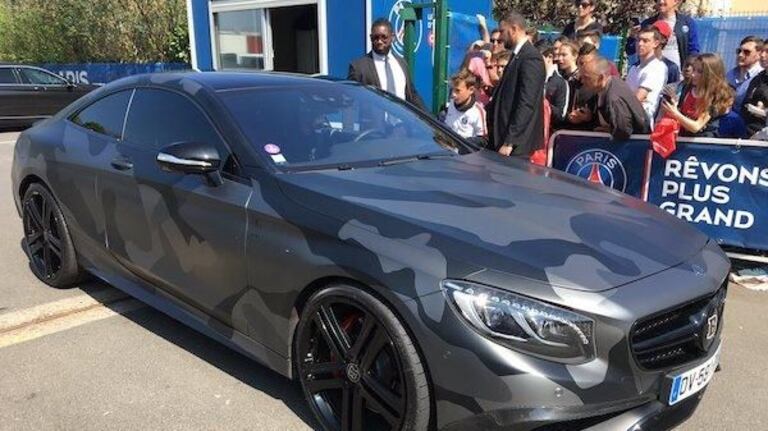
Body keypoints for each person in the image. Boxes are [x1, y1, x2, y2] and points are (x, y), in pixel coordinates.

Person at [486, 12, 546, 157]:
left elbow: (527, 102)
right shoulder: (516, 56)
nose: (500, 36)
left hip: (515, 147)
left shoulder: (531, 58)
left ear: (514, 29)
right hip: (502, 138)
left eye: (502, 31)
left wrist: (510, 141)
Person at [347, 18, 426, 110]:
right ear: (370, 38)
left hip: (401, 123)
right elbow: (349, 100)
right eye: (375, 38)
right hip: (374, 124)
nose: (379, 41)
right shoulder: (359, 67)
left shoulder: (401, 63)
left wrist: (430, 120)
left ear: (392, 37)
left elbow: (412, 95)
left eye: (384, 37)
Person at [661, 53, 734, 137]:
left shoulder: (714, 96)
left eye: (699, 72)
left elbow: (696, 126)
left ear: (710, 74)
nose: (693, 74)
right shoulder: (686, 88)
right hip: (682, 139)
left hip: (702, 143)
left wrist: (675, 113)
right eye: (694, 70)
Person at [579, 57, 650, 141]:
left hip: (633, 145)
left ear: (601, 78)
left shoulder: (614, 98)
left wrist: (611, 131)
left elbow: (624, 131)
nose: (582, 81)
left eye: (587, 78)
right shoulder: (609, 84)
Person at [626, 0, 700, 72]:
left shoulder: (687, 23)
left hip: (675, 73)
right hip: (651, 72)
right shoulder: (648, 24)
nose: (661, 2)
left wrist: (690, 67)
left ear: (676, 1)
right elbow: (630, 50)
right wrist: (632, 37)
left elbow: (694, 49)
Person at [626, 26, 669, 127]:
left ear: (656, 43)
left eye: (645, 41)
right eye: (638, 40)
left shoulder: (657, 67)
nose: (640, 44)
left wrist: (629, 99)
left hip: (642, 119)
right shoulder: (634, 69)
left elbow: (637, 98)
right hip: (628, 115)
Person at [443, 70, 487, 139]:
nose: (453, 94)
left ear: (471, 90)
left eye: (457, 91)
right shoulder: (451, 104)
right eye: (452, 90)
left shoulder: (477, 112)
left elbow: (483, 139)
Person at [726, 36, 764, 110]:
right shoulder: (730, 74)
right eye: (739, 51)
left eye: (746, 52)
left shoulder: (762, 78)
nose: (740, 55)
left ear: (759, 55)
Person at [536, 40, 569, 124]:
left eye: (538, 59)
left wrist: (543, 103)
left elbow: (560, 115)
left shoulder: (560, 83)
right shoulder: (532, 78)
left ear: (549, 57)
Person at [740, 42, 768, 137]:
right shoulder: (758, 78)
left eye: (767, 51)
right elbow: (745, 105)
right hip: (748, 132)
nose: (763, 55)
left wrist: (764, 111)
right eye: (762, 51)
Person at [651, 20, 681, 84]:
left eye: (655, 35)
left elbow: (673, 91)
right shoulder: (638, 66)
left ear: (663, 40)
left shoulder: (671, 68)